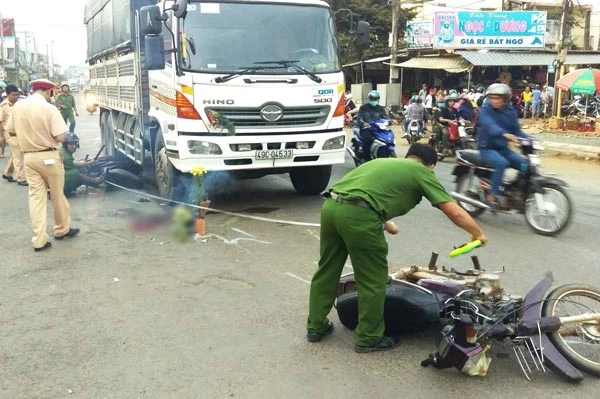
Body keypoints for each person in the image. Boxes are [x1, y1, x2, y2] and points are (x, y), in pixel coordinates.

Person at [307, 143, 488, 352]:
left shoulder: (382, 163)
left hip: (331, 209)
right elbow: (453, 211)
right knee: (373, 280)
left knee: (327, 270)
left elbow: (364, 194)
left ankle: (316, 327)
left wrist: (385, 222)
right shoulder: (421, 171)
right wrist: (477, 233)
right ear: (431, 166)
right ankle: (369, 337)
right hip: (360, 218)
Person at [6, 79, 80, 252]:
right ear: (49, 92)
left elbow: (10, 130)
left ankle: (39, 240)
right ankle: (62, 229)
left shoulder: (18, 107)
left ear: (33, 90)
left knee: (36, 199)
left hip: (30, 158)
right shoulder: (49, 108)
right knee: (57, 196)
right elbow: (62, 137)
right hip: (50, 157)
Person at [476, 83, 531, 210]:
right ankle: (493, 195)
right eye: (492, 98)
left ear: (505, 99)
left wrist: (530, 140)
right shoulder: (485, 110)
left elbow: (517, 131)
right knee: (501, 163)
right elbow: (489, 126)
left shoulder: (510, 111)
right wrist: (504, 134)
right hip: (487, 148)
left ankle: (515, 191)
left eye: (497, 98)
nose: (494, 101)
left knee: (525, 165)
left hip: (503, 149)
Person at [1, 85, 27, 185]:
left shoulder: (20, 104)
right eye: (13, 95)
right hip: (10, 133)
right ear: (7, 95)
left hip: (20, 132)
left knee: (15, 154)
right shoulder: (3, 106)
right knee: (18, 156)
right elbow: (0, 121)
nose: (15, 97)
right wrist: (1, 136)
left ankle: (7, 173)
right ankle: (21, 178)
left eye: (17, 95)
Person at [357, 90, 388, 160]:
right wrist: (364, 123)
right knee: (367, 140)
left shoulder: (380, 108)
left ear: (378, 99)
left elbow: (385, 117)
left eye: (375, 99)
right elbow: (360, 118)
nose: (374, 100)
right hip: (366, 129)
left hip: (378, 129)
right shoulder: (363, 108)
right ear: (369, 99)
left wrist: (389, 121)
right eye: (372, 99)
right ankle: (366, 159)